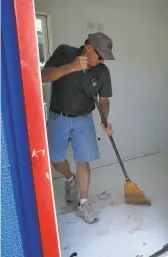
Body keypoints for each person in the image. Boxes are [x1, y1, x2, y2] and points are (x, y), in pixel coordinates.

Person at [41, 32, 115, 224]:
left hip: (84, 119)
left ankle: (83, 203)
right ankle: (69, 179)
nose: (102, 62)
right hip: (59, 117)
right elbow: (42, 75)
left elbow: (104, 100)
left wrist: (104, 118)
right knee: (55, 160)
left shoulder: (102, 72)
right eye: (100, 57)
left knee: (83, 161)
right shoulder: (64, 52)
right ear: (89, 48)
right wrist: (71, 67)